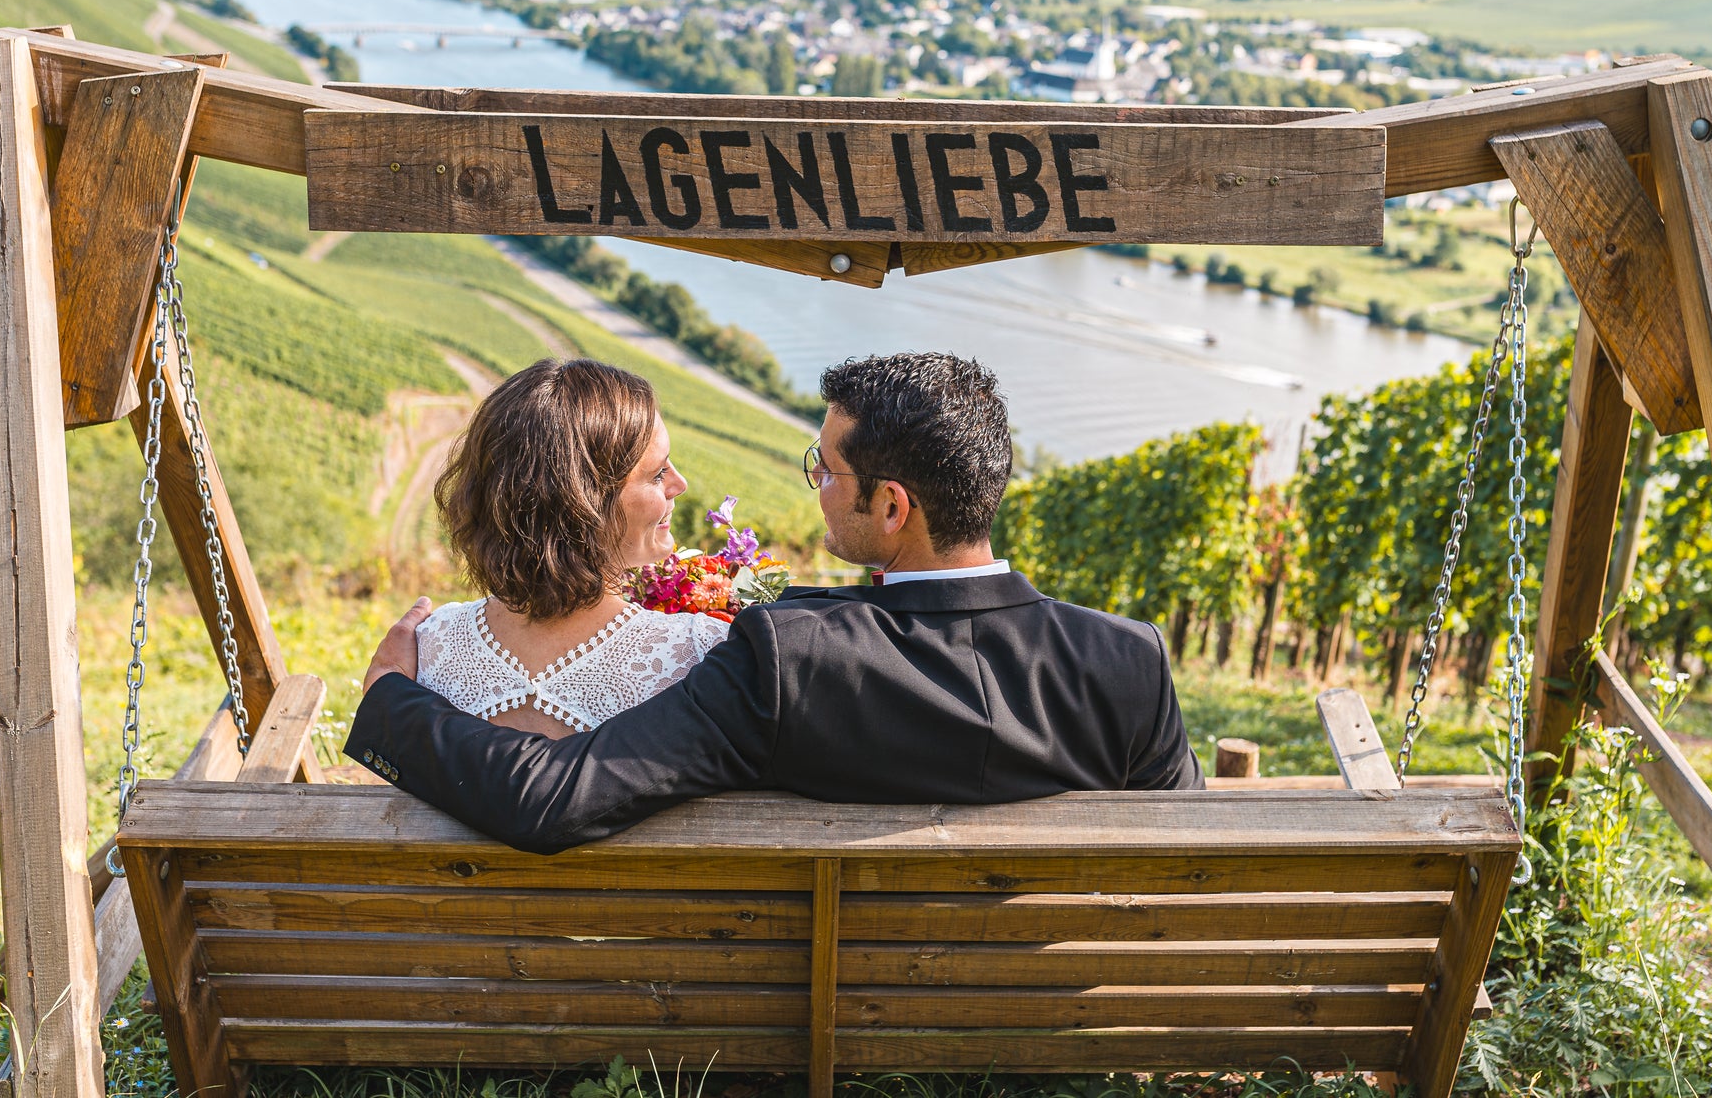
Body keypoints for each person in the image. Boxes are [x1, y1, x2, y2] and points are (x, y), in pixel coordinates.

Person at [347, 352, 1203, 853]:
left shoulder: (790, 657)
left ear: (893, 505)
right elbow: (1187, 850)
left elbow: (551, 795)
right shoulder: (1131, 659)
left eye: (825, 468)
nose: (816, 484)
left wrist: (390, 703)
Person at [403, 357, 730, 742]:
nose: (680, 483)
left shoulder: (429, 644)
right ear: (583, 505)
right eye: (658, 474)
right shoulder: (699, 654)